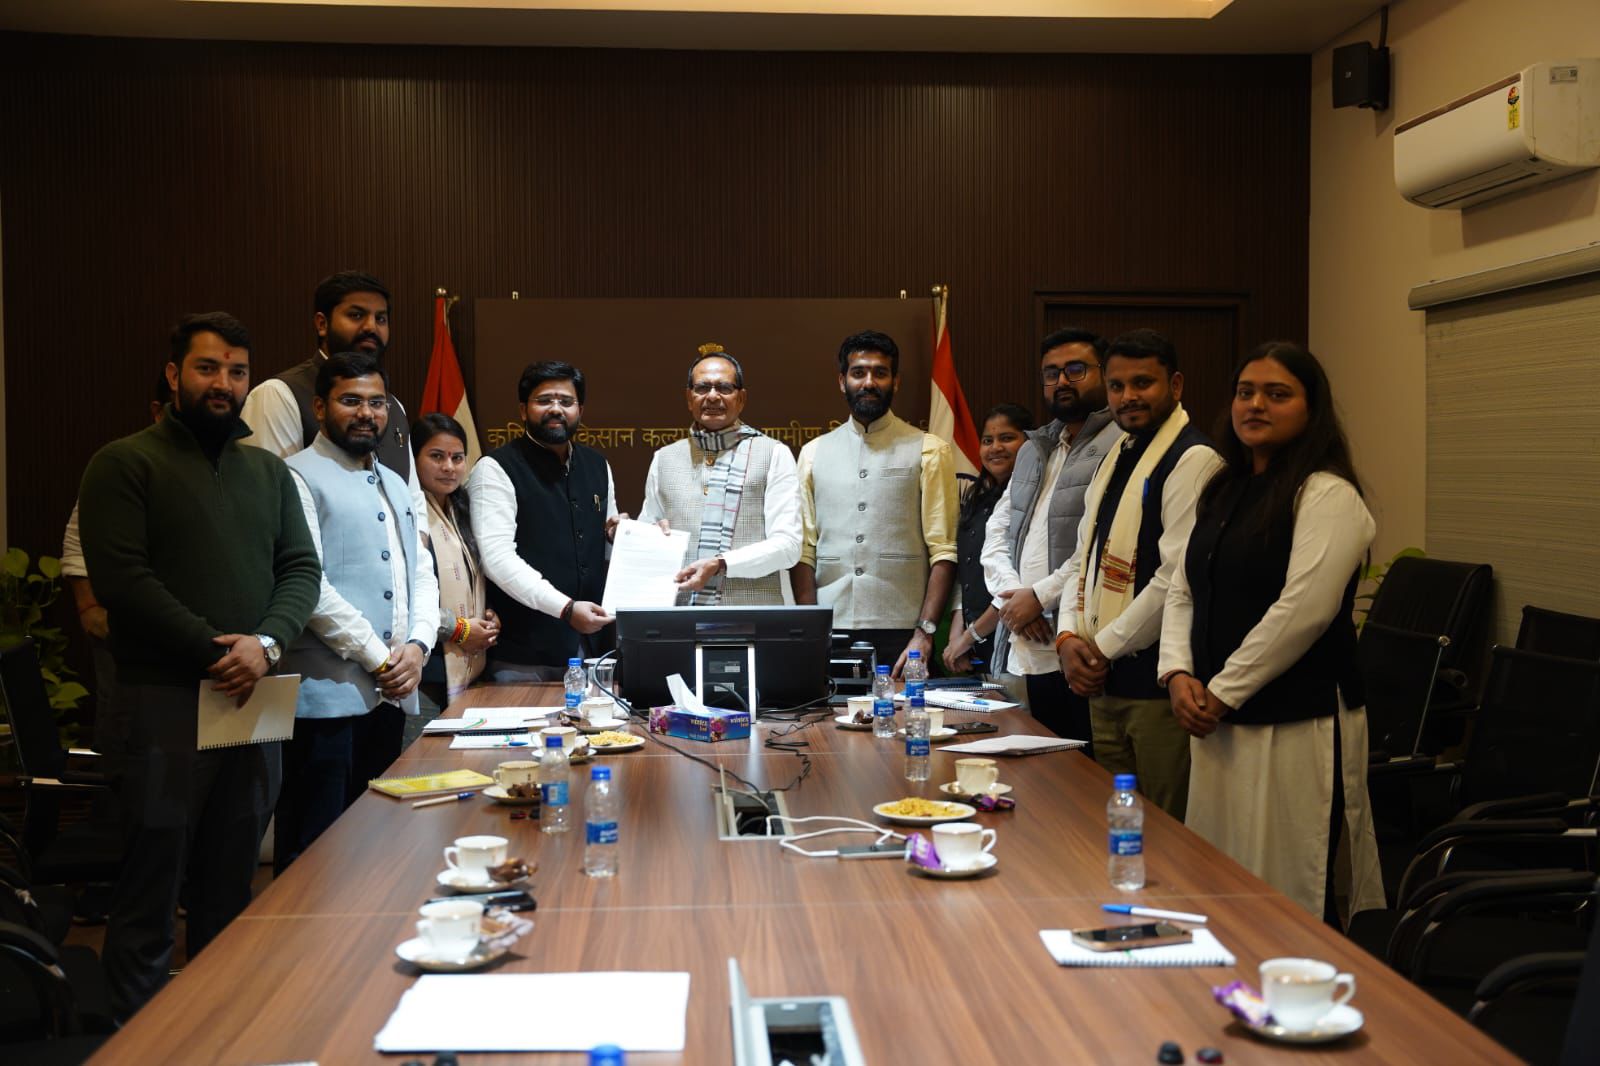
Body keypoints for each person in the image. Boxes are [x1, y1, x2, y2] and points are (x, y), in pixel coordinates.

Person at [79, 312, 320, 1019]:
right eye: (208, 368)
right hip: (163, 703)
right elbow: (123, 581)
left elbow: (301, 570)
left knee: (232, 884)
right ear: (173, 373)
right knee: (151, 887)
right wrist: (221, 652)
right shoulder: (123, 463)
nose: (224, 383)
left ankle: (222, 1031)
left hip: (251, 700)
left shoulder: (267, 472)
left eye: (237, 371)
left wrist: (266, 645)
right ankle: (137, 1042)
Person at [1157, 341, 1384, 924]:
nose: (1255, 405)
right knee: (1216, 881)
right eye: (1245, 392)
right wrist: (1177, 672)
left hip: (1296, 721)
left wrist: (1222, 691)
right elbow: (1184, 586)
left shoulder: (1327, 493)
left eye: (1277, 394)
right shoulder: (1223, 487)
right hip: (1216, 718)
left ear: (1312, 409)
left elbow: (1302, 612)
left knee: (1286, 888)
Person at [276, 352, 440, 872]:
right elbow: (308, 584)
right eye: (351, 401)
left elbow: (420, 571)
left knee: (376, 848)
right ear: (319, 407)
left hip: (389, 697)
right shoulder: (294, 476)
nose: (367, 413)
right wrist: (381, 658)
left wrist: (419, 646)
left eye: (376, 402)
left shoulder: (395, 480)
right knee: (316, 854)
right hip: (324, 701)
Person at [1054, 330, 1222, 819]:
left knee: (1169, 829)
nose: (1128, 396)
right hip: (1102, 682)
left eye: (1142, 383)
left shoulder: (1193, 458)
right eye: (1117, 386)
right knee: (1120, 824)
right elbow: (1082, 557)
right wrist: (1067, 637)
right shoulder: (1117, 455)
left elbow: (1175, 578)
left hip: (1156, 687)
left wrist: (1098, 650)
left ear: (1175, 385)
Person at [980, 328, 1121, 742]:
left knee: (1087, 766)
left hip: (1083, 642)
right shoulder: (1035, 447)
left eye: (1075, 370)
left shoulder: (1121, 442)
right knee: (1043, 765)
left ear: (1104, 373)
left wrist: (1038, 597)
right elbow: (996, 532)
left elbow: (1101, 544)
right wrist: (1015, 600)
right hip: (1027, 639)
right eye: (1051, 373)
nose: (1061, 381)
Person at [792, 330, 958, 677]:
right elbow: (804, 551)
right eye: (859, 372)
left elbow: (943, 550)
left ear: (895, 382)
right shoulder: (813, 453)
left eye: (880, 373)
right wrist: (810, 630)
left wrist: (925, 632)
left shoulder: (929, 449)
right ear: (842, 381)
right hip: (830, 628)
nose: (869, 382)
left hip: (905, 634)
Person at [470, 360, 620, 679]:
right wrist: (565, 609)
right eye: (544, 400)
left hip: (592, 650)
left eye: (566, 401)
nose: (556, 409)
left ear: (580, 409)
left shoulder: (597, 465)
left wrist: (619, 537)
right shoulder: (496, 468)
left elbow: (603, 550)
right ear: (523, 410)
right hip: (523, 655)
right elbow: (496, 559)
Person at [638, 346, 800, 604]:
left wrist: (722, 563)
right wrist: (646, 535)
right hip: (679, 614)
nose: (712, 396)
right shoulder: (664, 458)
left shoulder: (773, 454)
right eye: (702, 388)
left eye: (724, 388)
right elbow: (647, 537)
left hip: (753, 613)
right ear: (689, 398)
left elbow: (788, 546)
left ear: (742, 398)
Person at [62, 369, 172, 736]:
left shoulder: (231, 466)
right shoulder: (124, 464)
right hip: (126, 640)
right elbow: (77, 545)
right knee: (126, 736)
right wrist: (91, 612)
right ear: (157, 412)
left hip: (200, 644)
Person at [239, 269, 418, 481]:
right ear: (322, 324)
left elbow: (412, 497)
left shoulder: (393, 405)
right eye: (356, 315)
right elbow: (269, 491)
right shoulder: (278, 394)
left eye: (380, 318)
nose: (371, 327)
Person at [412, 411, 499, 702]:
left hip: (473, 668)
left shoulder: (463, 509)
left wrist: (488, 615)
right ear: (414, 458)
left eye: (457, 458)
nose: (449, 467)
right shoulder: (406, 512)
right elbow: (403, 597)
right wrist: (459, 630)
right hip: (426, 671)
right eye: (436, 456)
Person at [943, 403, 1034, 677]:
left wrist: (969, 637)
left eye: (1007, 438)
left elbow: (1012, 586)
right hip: (976, 644)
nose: (995, 448)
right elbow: (967, 573)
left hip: (1015, 638)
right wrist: (958, 635)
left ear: (1029, 442)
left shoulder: (1030, 502)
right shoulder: (976, 498)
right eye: (987, 440)